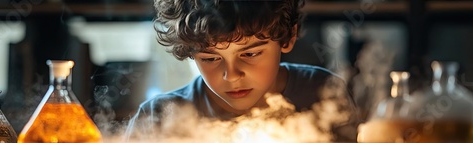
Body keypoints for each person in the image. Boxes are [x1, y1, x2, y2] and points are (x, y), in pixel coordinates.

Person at [127, 0, 359, 142]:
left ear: (288, 37)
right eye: (210, 58)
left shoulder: (322, 94)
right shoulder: (157, 119)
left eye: (249, 54)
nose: (232, 75)